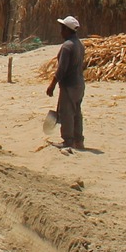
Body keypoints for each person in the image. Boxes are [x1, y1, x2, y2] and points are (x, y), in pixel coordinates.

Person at [46, 15, 85, 151]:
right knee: (76, 112)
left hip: (69, 84)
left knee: (67, 112)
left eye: (62, 29)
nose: (61, 32)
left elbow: (62, 69)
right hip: (79, 83)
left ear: (67, 30)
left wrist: (52, 85)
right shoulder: (79, 44)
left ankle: (68, 141)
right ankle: (78, 140)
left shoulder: (67, 46)